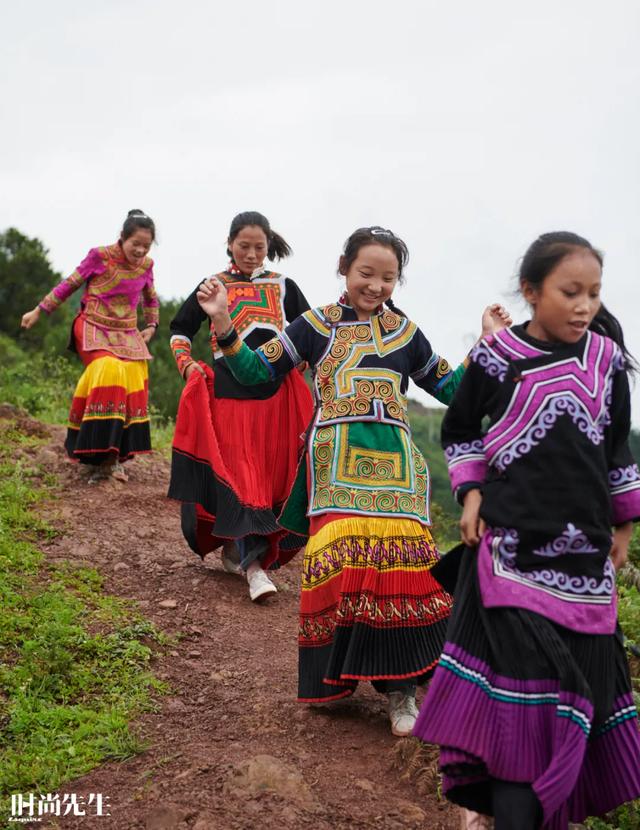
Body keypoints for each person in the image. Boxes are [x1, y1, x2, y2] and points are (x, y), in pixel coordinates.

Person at [195, 225, 511, 735]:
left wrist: (487, 344)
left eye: (388, 278)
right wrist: (225, 323)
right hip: (334, 463)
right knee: (347, 568)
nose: (377, 285)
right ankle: (343, 674)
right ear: (344, 266)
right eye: (367, 273)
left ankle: (401, 692)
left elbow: (454, 389)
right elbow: (256, 372)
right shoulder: (314, 325)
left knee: (401, 575)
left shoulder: (407, 335)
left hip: (399, 469)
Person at [413, 232, 640, 829]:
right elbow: (459, 430)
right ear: (533, 292)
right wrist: (471, 492)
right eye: (571, 292)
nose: (585, 306)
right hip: (511, 560)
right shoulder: (494, 359)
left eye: (593, 293)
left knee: (573, 716)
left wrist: (625, 525)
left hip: (587, 575)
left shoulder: (608, 362)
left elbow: (618, 451)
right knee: (519, 723)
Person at [168, 211, 314, 602]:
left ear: (269, 247)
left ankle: (241, 551)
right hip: (231, 397)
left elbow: (312, 337)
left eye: (259, 247)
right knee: (245, 479)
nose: (251, 254)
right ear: (230, 243)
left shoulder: (285, 287)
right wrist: (188, 368)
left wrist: (305, 366)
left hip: (280, 399)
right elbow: (180, 331)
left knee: (271, 481)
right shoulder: (212, 287)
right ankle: (254, 570)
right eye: (244, 246)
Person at [20, 209, 159, 483]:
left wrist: (152, 326)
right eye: (136, 244)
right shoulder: (100, 255)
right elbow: (70, 284)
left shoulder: (147, 266)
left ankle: (116, 456)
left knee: (134, 374)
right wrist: (39, 310)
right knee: (109, 370)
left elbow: (151, 299)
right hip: (93, 325)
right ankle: (94, 455)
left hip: (127, 332)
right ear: (122, 238)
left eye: (146, 245)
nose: (140, 250)